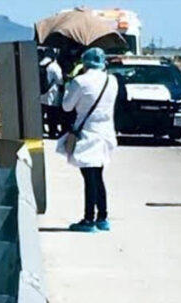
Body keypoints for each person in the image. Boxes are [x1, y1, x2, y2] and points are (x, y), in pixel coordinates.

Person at [56, 47, 118, 233]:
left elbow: (67, 107)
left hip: (87, 133)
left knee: (89, 177)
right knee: (98, 175)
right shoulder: (111, 80)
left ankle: (88, 219)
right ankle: (103, 217)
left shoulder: (80, 81)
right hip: (106, 132)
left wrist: (68, 88)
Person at [39, 48, 64, 138]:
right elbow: (60, 81)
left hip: (41, 93)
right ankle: (52, 132)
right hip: (52, 94)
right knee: (52, 115)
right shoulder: (54, 66)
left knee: (41, 113)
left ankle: (40, 130)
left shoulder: (40, 64)